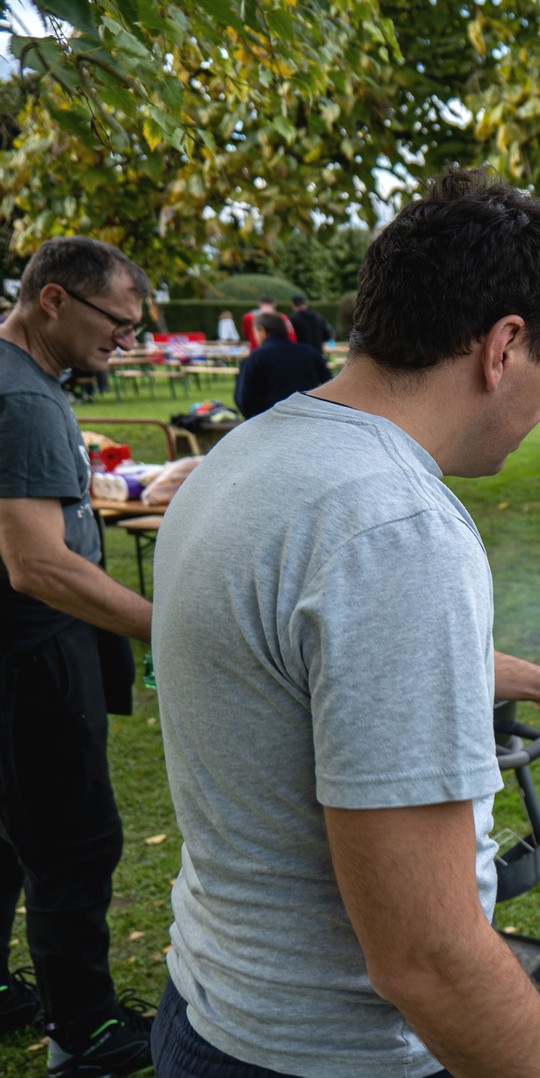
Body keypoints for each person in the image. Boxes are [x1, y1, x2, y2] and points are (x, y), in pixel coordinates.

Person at [149, 169, 540, 1078]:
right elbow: (427, 955)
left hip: (208, 1012)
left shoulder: (250, 454)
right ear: (503, 346)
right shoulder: (395, 528)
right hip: (326, 1057)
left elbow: (320, 664)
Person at [0, 236, 158, 1075]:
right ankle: (84, 1032)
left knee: (9, 832)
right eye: (117, 325)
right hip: (33, 653)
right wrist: (163, 624)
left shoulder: (20, 377)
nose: (124, 343)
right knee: (72, 841)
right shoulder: (25, 399)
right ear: (54, 300)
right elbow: (35, 564)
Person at [234, 311, 332, 418]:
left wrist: (257, 420)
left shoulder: (256, 358)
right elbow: (329, 385)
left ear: (261, 330)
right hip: (308, 418)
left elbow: (244, 399)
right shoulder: (311, 353)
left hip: (271, 420)